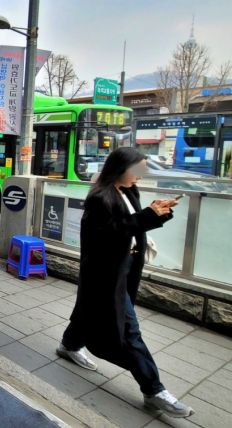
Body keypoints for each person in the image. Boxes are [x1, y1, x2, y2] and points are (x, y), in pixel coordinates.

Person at [56, 147, 193, 419]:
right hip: (104, 271)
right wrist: (147, 215)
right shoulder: (100, 197)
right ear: (120, 168)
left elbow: (131, 225)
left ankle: (69, 344)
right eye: (137, 170)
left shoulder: (127, 191)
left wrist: (158, 213)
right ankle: (154, 390)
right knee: (128, 328)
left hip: (124, 266)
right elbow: (108, 235)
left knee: (89, 309)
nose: (140, 176)